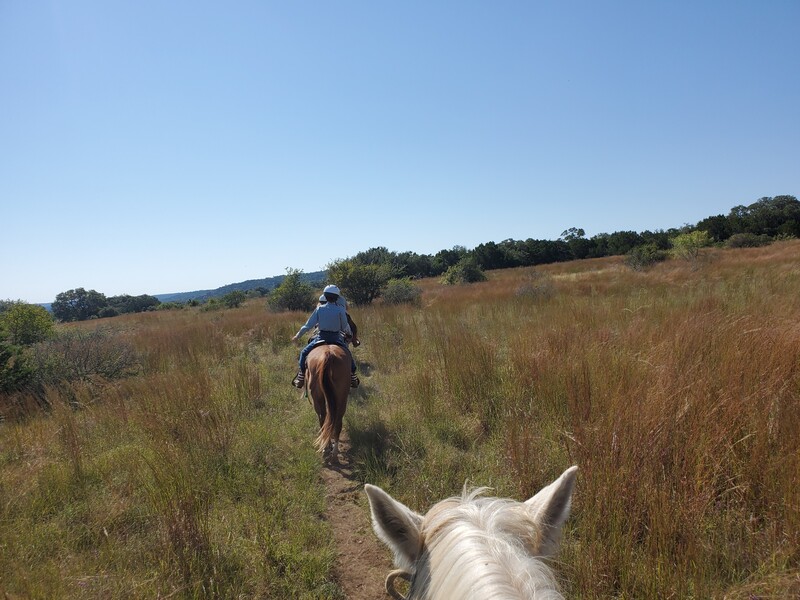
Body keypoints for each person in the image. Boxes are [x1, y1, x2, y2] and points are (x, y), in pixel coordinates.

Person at [291, 285, 359, 389]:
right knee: (348, 355)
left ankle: (301, 375)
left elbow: (308, 325)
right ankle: (352, 375)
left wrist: (297, 336)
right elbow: (345, 326)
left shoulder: (319, 309)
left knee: (304, 353)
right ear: (337, 298)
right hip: (336, 338)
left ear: (325, 296)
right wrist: (350, 334)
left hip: (321, 337)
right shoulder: (340, 309)